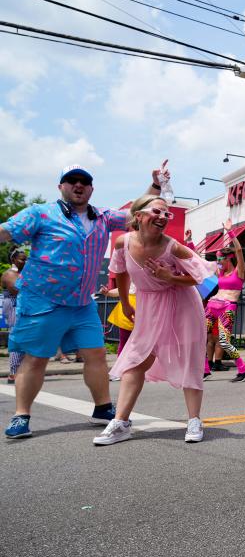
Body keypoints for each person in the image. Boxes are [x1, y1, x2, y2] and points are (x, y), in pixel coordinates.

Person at [1, 164, 162, 439]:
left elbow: (138, 211)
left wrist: (156, 186)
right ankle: (21, 416)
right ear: (61, 186)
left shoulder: (101, 217)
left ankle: (102, 409)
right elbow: (5, 231)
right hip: (43, 301)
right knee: (36, 359)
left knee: (96, 355)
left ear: (91, 189)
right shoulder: (41, 213)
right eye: (71, 181)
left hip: (81, 303)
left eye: (84, 182)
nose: (78, 185)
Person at [93, 196, 213, 445]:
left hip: (182, 305)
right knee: (135, 360)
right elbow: (121, 272)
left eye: (167, 214)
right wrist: (125, 303)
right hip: (149, 305)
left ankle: (194, 420)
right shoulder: (122, 243)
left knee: (189, 360)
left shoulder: (174, 247)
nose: (163, 217)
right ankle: (121, 423)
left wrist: (169, 276)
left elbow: (198, 277)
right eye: (157, 211)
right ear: (138, 216)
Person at [203, 221, 245, 382]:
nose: (218, 262)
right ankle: (205, 369)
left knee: (224, 342)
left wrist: (230, 232)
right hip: (212, 306)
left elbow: (238, 250)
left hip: (227, 308)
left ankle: (243, 369)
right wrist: (189, 243)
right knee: (199, 336)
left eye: (220, 259)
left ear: (229, 258)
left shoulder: (239, 271)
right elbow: (199, 262)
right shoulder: (220, 273)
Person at [2, 248, 27, 384]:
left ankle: (20, 370)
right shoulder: (10, 274)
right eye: (22, 259)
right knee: (17, 338)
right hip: (13, 306)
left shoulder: (22, 274)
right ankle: (13, 373)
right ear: (13, 260)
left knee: (23, 339)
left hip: (21, 307)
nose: (25, 262)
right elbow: (16, 290)